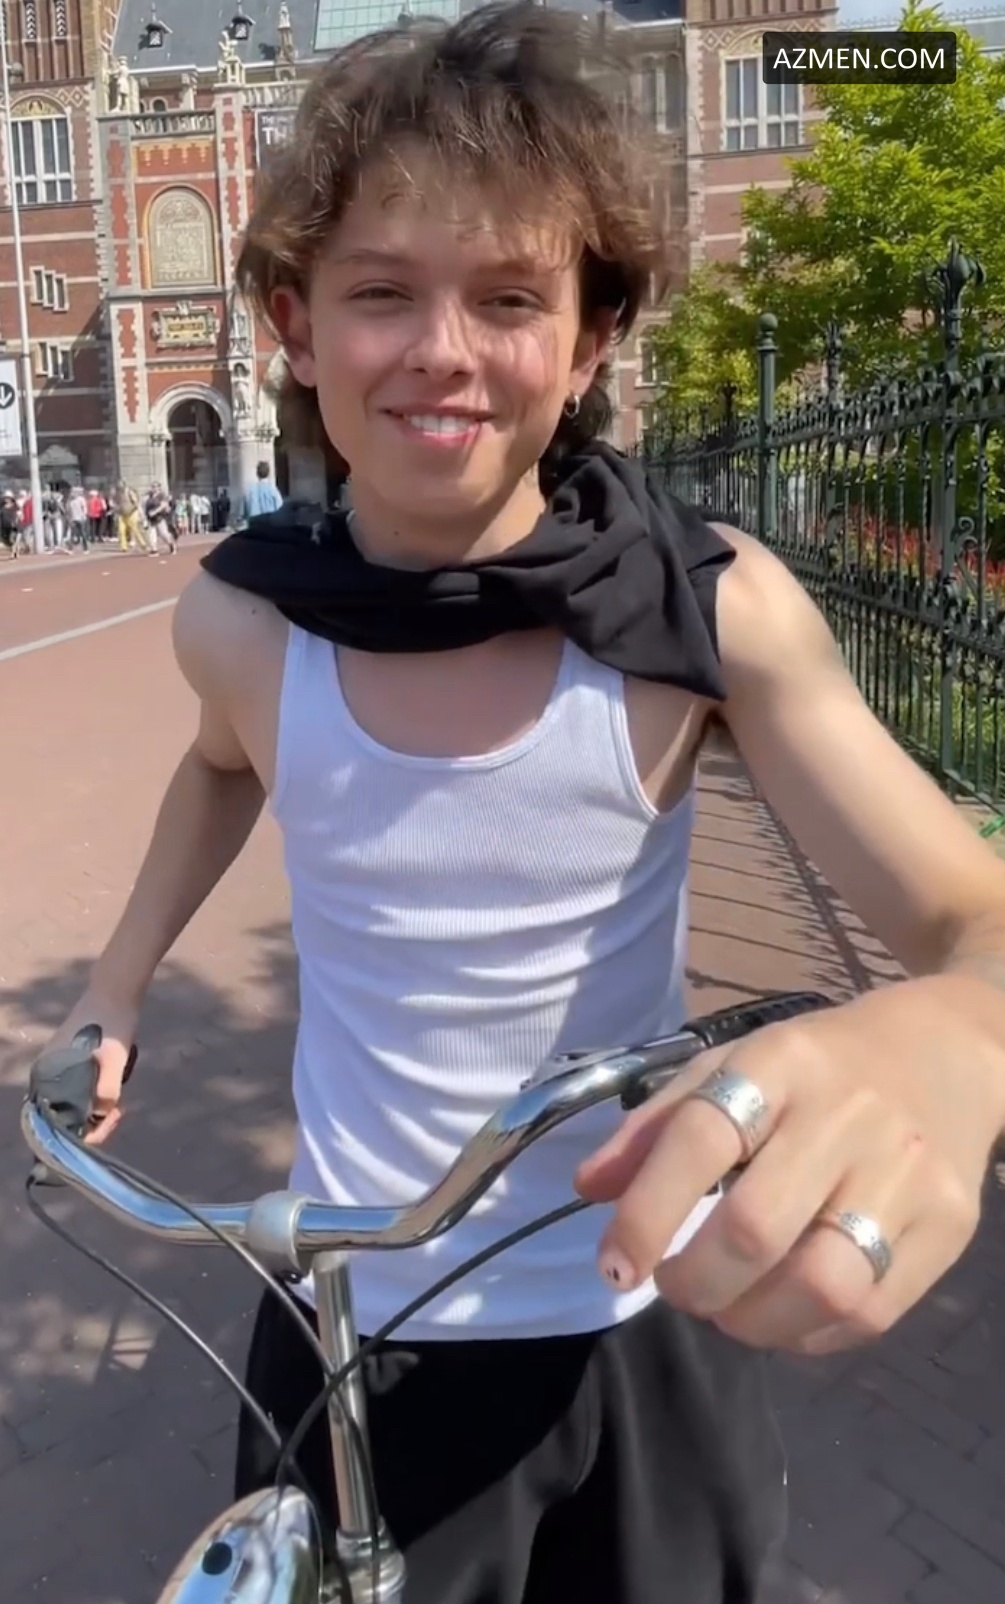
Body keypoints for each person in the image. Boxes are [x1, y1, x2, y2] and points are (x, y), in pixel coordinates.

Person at [46, 8, 1005, 1604]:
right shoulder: (246, 621)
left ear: (590, 338)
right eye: (380, 293)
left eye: (508, 297)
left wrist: (954, 1038)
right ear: (292, 326)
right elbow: (220, 765)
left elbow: (970, 917)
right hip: (352, 1309)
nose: (442, 349)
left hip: (632, 1311)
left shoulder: (703, 614)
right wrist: (117, 986)